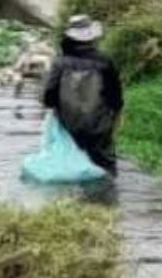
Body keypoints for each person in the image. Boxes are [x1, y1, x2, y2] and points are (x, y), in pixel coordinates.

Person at [41, 14, 123, 176]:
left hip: (68, 124)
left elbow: (48, 97)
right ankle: (108, 195)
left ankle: (72, 198)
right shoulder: (105, 62)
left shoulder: (60, 62)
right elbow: (115, 97)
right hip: (99, 125)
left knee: (68, 165)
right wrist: (114, 119)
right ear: (92, 38)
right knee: (105, 165)